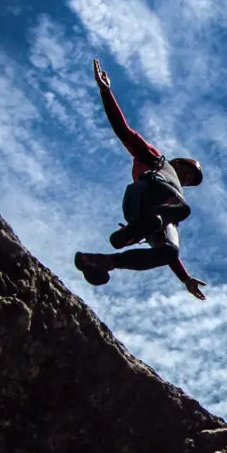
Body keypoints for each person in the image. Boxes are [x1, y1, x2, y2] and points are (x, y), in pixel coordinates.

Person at [74, 59, 207, 300]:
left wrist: (186, 280)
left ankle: (103, 261)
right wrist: (106, 93)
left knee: (169, 251)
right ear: (177, 162)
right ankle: (146, 225)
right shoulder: (157, 160)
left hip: (142, 214)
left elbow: (169, 252)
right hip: (147, 192)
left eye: (191, 180)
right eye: (188, 173)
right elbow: (124, 132)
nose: (187, 179)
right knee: (182, 209)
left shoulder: (172, 208)